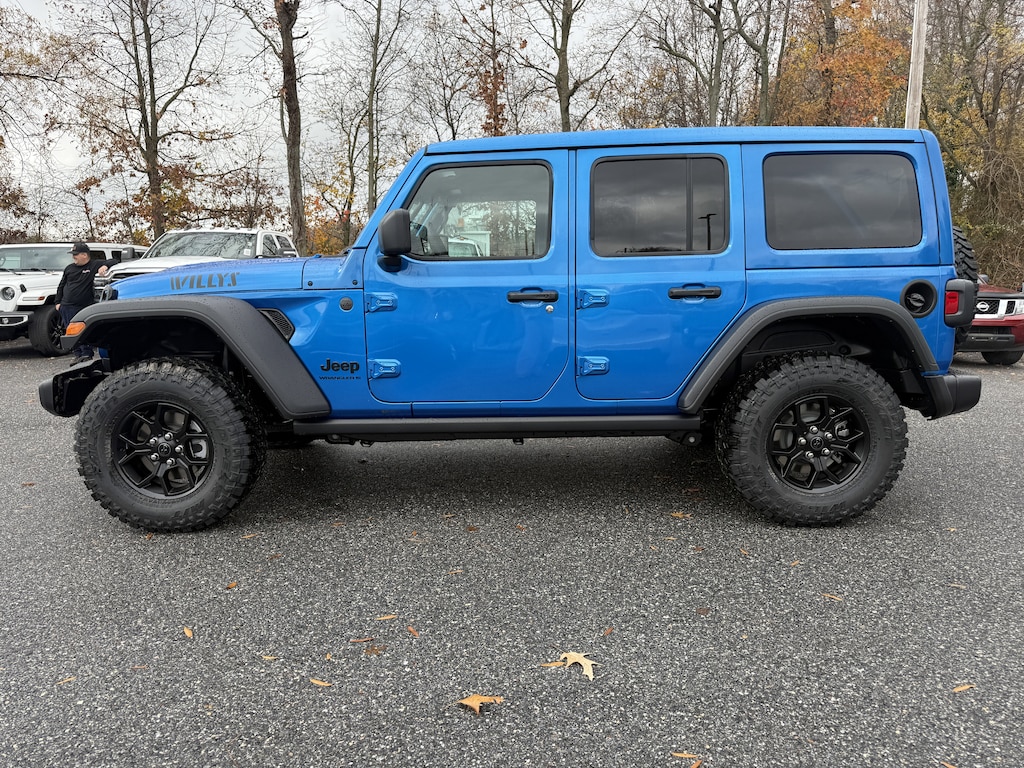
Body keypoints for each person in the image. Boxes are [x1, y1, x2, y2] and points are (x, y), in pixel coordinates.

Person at [54, 242, 117, 364]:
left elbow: (114, 261)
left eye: (76, 254)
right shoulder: (69, 268)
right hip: (66, 306)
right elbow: (61, 285)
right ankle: (78, 354)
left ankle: (86, 354)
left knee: (83, 331)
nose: (73, 257)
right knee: (70, 331)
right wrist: (58, 302)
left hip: (83, 306)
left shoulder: (94, 265)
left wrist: (105, 266)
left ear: (84, 255)